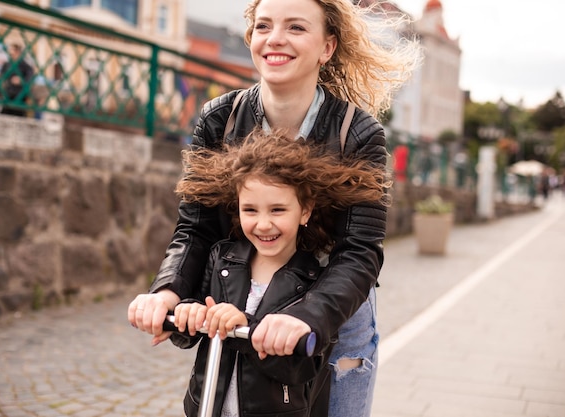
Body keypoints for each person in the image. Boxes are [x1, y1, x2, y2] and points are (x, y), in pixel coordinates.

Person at [128, 0, 421, 415]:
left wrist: (308, 315)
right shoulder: (220, 119)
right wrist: (168, 291)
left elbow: (359, 252)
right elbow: (195, 230)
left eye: (296, 28)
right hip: (246, 302)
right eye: (264, 25)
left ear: (327, 47)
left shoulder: (356, 132)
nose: (275, 38)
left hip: (331, 313)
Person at [170, 131, 390, 416]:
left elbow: (300, 369)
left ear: (305, 211)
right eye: (250, 209)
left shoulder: (314, 283)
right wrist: (188, 313)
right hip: (208, 407)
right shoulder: (222, 259)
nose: (263, 224)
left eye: (277, 210)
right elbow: (186, 334)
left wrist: (243, 326)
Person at [0, 42, 34, 117]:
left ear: (18, 52)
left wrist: (21, 80)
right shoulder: (7, 64)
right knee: (5, 115)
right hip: (8, 94)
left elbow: (30, 79)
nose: (11, 53)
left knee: (18, 115)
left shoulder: (26, 66)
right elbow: (1, 76)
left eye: (13, 50)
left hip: (20, 96)